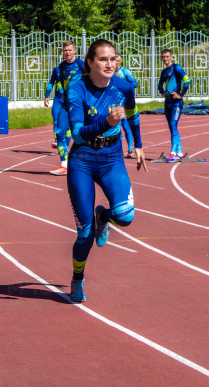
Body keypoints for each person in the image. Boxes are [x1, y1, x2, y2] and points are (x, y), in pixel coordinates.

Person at [65, 39, 147, 302]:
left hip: (112, 158)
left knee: (125, 216)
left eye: (113, 59)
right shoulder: (77, 88)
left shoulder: (124, 87)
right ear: (90, 62)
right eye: (103, 59)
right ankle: (78, 277)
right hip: (83, 162)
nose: (109, 64)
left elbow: (133, 114)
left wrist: (138, 145)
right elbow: (77, 135)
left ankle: (104, 217)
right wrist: (106, 122)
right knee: (85, 234)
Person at [47, 41, 86, 176]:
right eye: (65, 50)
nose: (67, 53)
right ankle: (64, 165)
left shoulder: (81, 64)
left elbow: (91, 77)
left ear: (75, 51)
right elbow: (59, 82)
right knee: (59, 133)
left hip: (79, 105)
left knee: (81, 133)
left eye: (70, 50)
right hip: (65, 104)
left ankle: (86, 164)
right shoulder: (61, 67)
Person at [157, 49, 190, 162]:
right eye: (163, 57)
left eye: (167, 56)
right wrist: (163, 93)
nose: (165, 59)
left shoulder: (176, 68)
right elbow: (159, 84)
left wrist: (180, 95)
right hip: (168, 102)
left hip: (176, 103)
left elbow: (187, 80)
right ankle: (179, 152)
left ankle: (173, 152)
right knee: (172, 127)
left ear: (171, 57)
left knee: (173, 124)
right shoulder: (164, 72)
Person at [114, 53, 139, 158]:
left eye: (118, 60)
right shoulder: (109, 72)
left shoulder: (125, 72)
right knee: (116, 127)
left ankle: (130, 149)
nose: (117, 62)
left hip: (123, 103)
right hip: (113, 103)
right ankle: (119, 150)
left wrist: (124, 86)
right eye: (115, 60)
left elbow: (135, 84)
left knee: (125, 125)